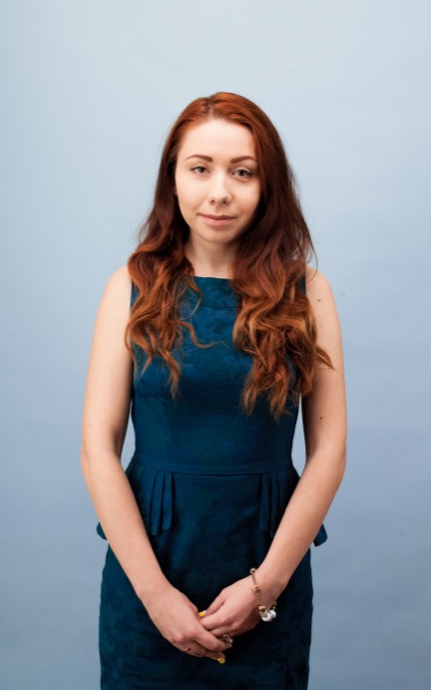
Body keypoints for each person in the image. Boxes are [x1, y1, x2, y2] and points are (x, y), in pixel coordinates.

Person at [80, 91, 347, 689]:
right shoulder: (130, 285)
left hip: (266, 563)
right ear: (172, 178)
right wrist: (155, 596)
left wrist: (266, 585)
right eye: (200, 168)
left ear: (267, 185)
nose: (220, 191)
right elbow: (98, 447)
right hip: (149, 567)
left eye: (242, 172)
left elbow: (329, 451)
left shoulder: (309, 292)